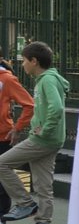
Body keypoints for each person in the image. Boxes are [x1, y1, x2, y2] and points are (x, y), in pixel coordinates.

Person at [0, 42, 67, 224]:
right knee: (44, 187)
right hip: (51, 140)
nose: (22, 65)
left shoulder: (46, 80)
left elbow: (56, 109)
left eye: (24, 61)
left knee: (1, 163)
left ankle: (25, 203)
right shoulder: (48, 79)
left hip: (43, 140)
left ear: (34, 61)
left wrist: (44, 130)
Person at [0, 57, 36, 213]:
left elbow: (29, 105)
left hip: (2, 137)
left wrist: (18, 128)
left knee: (2, 182)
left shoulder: (6, 79)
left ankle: (2, 221)